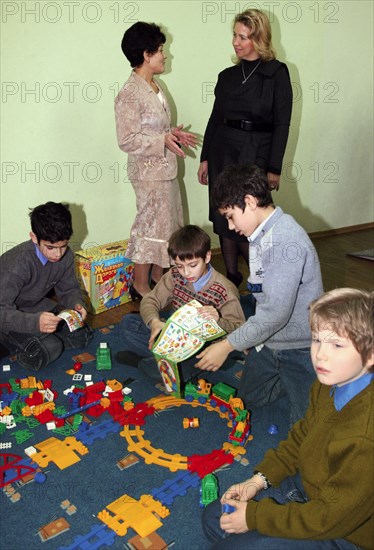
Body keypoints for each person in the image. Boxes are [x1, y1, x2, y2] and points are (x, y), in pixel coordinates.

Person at [202, 288, 374, 550]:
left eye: (337, 345)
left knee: (231, 542)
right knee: (216, 517)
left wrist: (254, 518)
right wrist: (257, 481)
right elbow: (301, 437)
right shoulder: (329, 382)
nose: (320, 355)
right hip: (308, 488)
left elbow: (328, 519)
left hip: (342, 531)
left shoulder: (365, 437)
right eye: (317, 340)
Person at [195, 164, 323, 425]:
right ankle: (289, 380)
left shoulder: (285, 240)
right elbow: (263, 299)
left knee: (308, 427)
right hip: (271, 343)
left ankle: (314, 382)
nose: (230, 226)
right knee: (246, 400)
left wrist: (228, 345)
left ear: (250, 201)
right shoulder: (259, 235)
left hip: (300, 348)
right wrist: (256, 340)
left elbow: (275, 313)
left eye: (231, 216)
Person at [198, 9, 293, 287]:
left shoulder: (276, 73)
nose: (236, 42)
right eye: (235, 35)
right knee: (224, 216)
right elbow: (215, 119)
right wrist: (205, 158)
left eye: (243, 37)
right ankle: (231, 277)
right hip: (222, 150)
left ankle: (259, 281)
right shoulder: (226, 75)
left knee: (249, 217)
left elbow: (282, 124)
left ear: (259, 39)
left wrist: (274, 167)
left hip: (256, 150)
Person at [115, 22, 197, 299]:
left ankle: (157, 282)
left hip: (165, 171)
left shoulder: (154, 85)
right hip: (148, 174)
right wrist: (160, 140)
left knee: (166, 228)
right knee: (148, 228)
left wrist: (171, 134)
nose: (165, 55)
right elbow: (126, 140)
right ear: (146, 55)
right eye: (161, 50)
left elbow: (152, 128)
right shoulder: (129, 93)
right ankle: (139, 286)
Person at [116, 225, 245, 380]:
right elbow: (151, 300)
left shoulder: (225, 289)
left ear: (207, 257)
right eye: (180, 266)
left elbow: (240, 329)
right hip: (176, 338)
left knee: (179, 371)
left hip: (204, 347)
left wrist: (218, 320)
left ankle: (147, 362)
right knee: (128, 323)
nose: (186, 273)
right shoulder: (175, 275)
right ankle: (163, 361)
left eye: (193, 265)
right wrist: (154, 322)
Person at [0, 202, 92, 370]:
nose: (58, 254)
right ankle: (17, 343)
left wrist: (76, 305)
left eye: (63, 246)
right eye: (50, 247)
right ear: (34, 237)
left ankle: (29, 342)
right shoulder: (16, 265)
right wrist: (35, 323)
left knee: (81, 334)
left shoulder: (66, 256)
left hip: (35, 308)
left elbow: (69, 290)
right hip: (8, 317)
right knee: (51, 347)